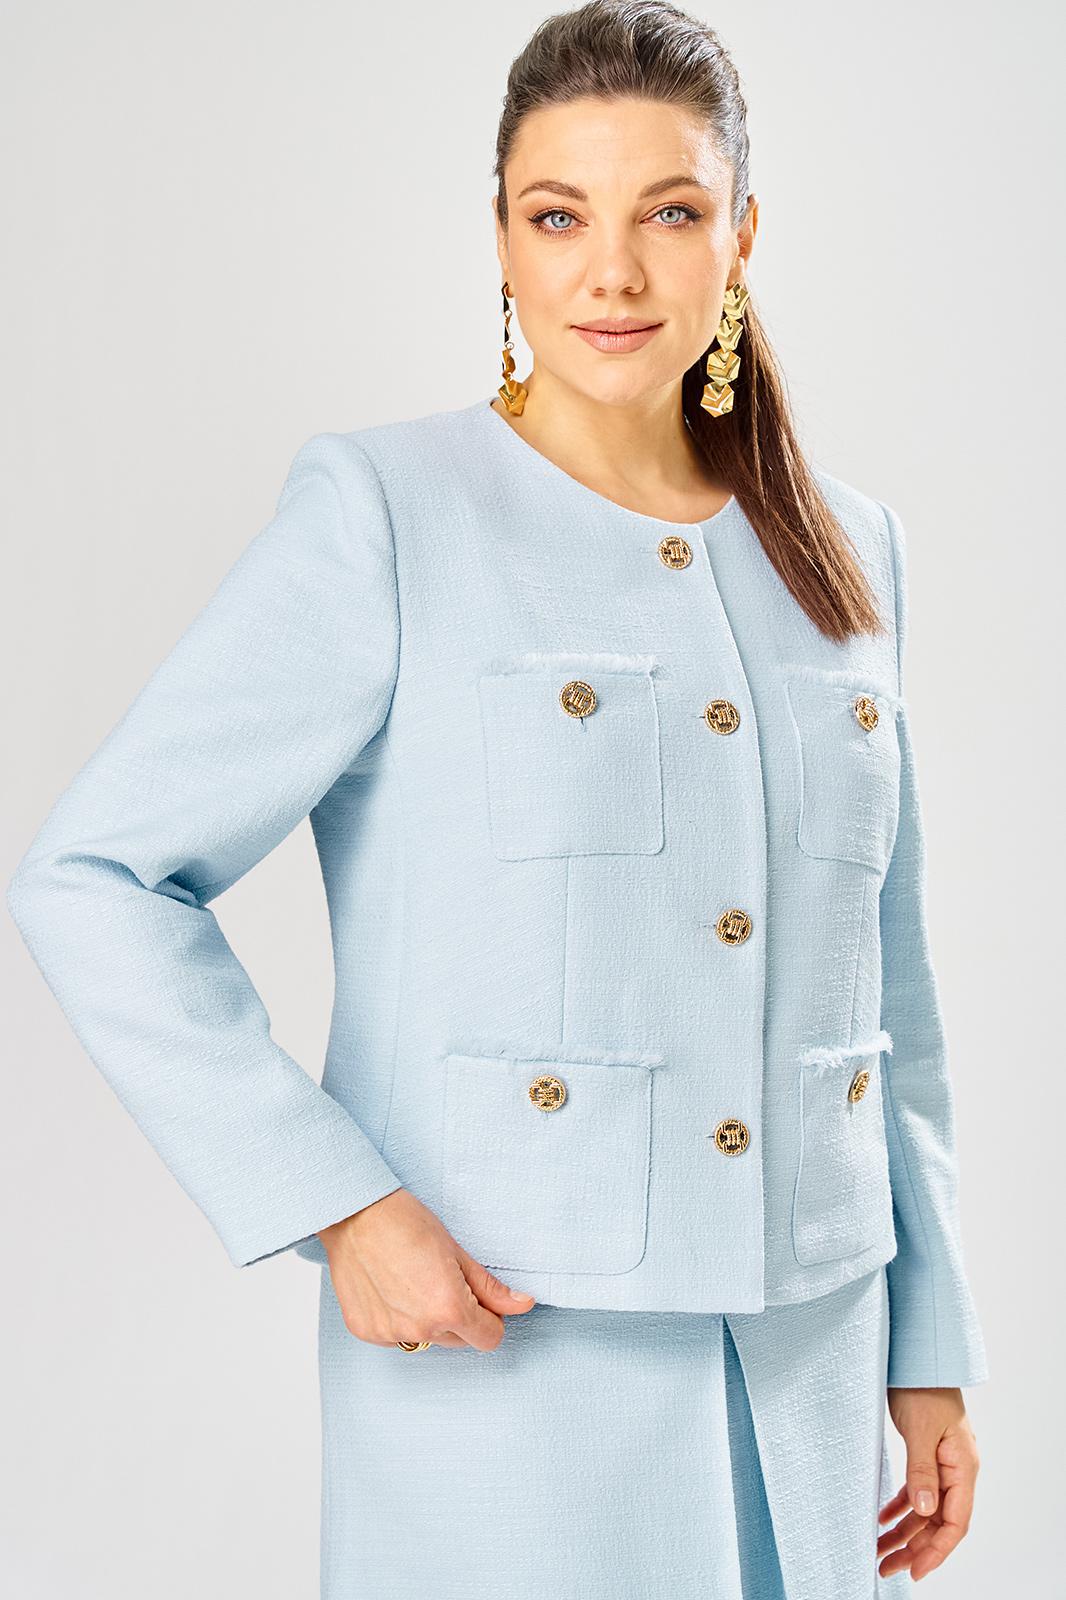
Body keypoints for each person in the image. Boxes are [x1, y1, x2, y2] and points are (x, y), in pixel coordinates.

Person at [6, 2, 988, 1595]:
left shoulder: (845, 545)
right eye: (559, 216)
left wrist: (930, 1341)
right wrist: (339, 1206)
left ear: (740, 237)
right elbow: (97, 875)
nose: (613, 273)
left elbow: (884, 985)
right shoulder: (387, 512)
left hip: (809, 1358)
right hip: (510, 1351)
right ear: (501, 241)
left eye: (669, 213)